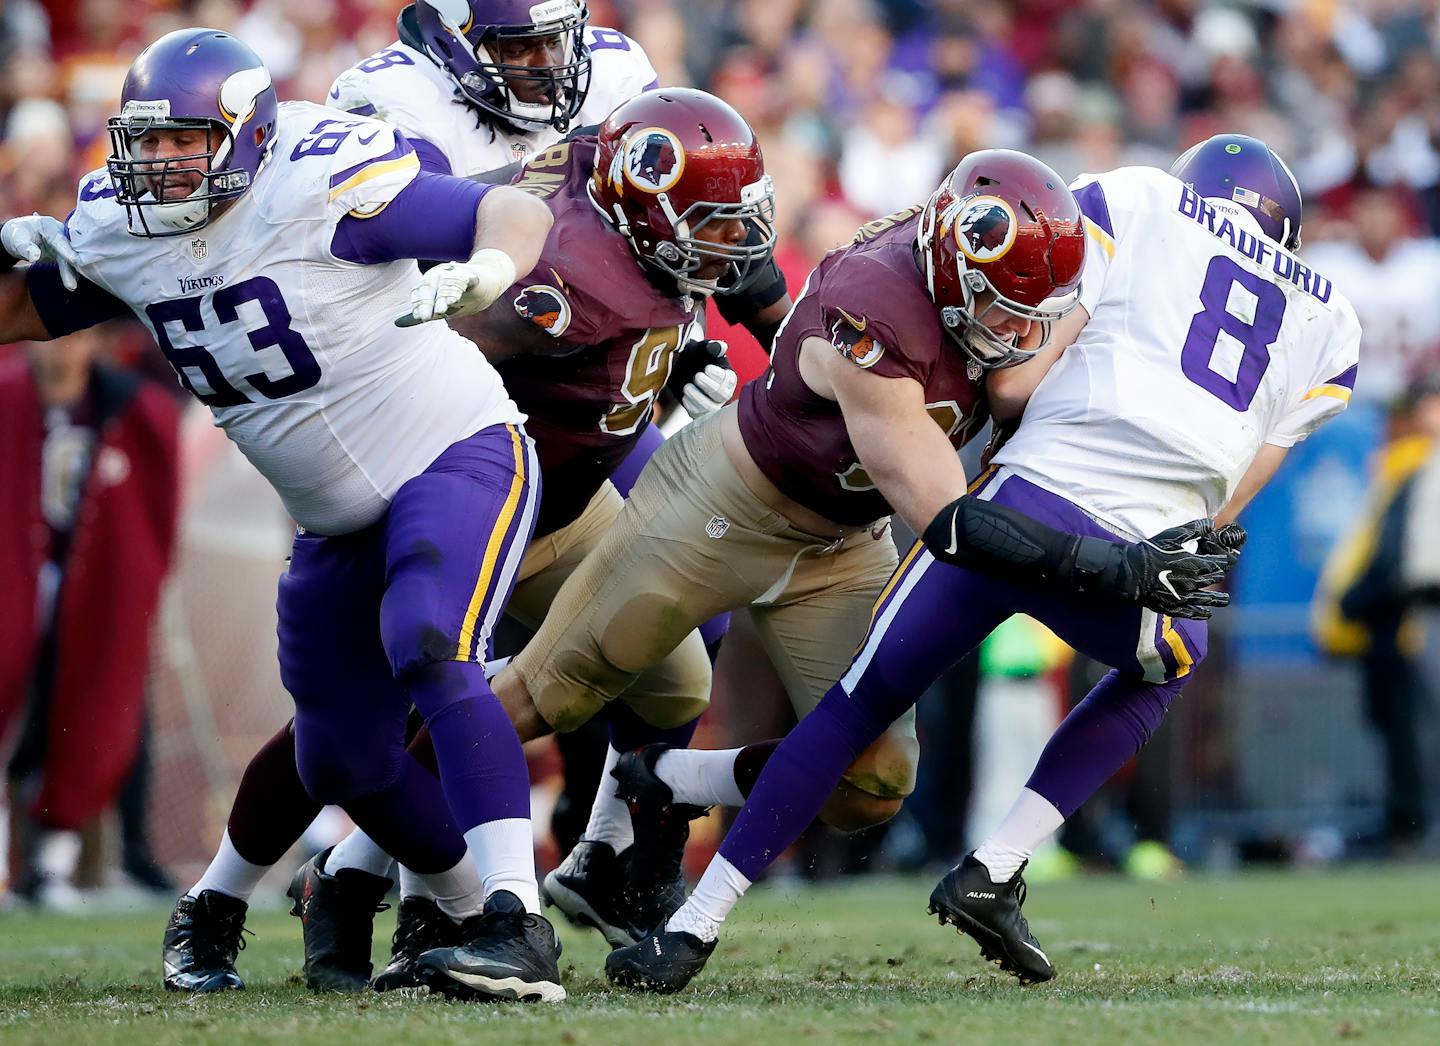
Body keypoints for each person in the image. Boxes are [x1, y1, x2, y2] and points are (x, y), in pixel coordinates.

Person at [435, 147, 1236, 984]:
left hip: (844, 540)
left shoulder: (980, 283)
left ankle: (662, 782)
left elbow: (1008, 392)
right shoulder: (877, 306)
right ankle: (367, 860)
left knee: (874, 785)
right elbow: (953, 525)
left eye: (1033, 314)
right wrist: (1110, 568)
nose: (1016, 335)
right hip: (731, 502)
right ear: (950, 266)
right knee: (541, 697)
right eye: (1001, 310)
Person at [605, 133, 1360, 994]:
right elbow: (1235, 496)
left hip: (1021, 500)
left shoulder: (1139, 198)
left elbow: (1014, 384)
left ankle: (690, 930)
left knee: (857, 706)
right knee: (1172, 663)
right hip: (1137, 552)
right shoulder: (1332, 321)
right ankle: (995, 866)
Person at [173, 3, 793, 987]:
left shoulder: (620, 101)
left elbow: (694, 228)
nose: (549, 68)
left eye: (559, 41)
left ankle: (595, 854)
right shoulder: (400, 106)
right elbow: (417, 296)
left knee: (673, 664)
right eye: (519, 46)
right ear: (455, 39)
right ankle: (301, 887)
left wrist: (752, 344)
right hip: (436, 441)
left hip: (566, 455)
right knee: (382, 707)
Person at [0, 28, 564, 1002]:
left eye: (183, 142)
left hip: (454, 449)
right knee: (339, 749)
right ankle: (437, 912)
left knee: (429, 636)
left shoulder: (315, 183)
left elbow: (509, 204)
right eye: (146, 143)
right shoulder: (123, 225)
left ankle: (517, 915)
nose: (159, 164)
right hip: (330, 518)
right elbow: (19, 311)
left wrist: (493, 268)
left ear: (246, 134)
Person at [0, 328, 180, 908]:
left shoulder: (129, 408)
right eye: (50, 336)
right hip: (15, 577)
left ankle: (55, 863)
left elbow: (156, 510)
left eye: (75, 336)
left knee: (93, 714)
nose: (61, 348)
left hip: (92, 588)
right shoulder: (10, 397)